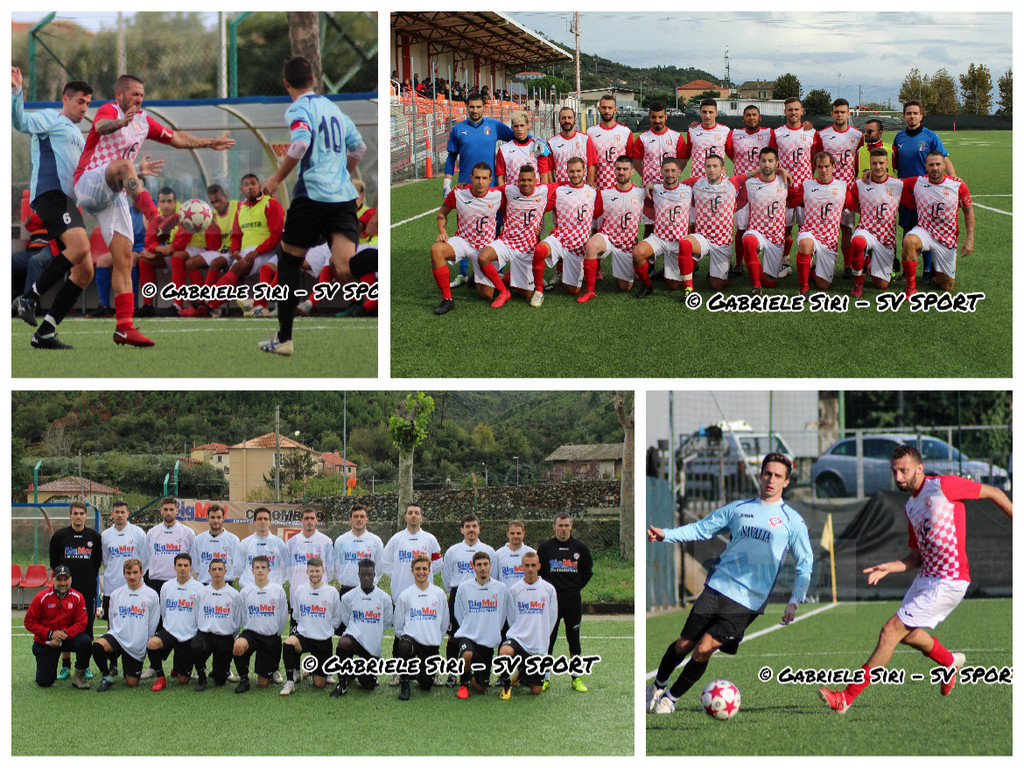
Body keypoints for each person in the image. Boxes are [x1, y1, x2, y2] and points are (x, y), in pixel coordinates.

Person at [819, 444, 1012, 714]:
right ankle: (948, 662)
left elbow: (994, 492)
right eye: (894, 471)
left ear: (919, 469)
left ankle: (846, 698)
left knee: (890, 631)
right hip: (926, 577)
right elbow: (916, 558)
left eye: (903, 470)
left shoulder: (943, 486)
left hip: (949, 580)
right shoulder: (911, 506)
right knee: (907, 636)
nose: (898, 477)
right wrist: (889, 567)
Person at [72, 72, 234, 347]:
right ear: (120, 95)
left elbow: (177, 138)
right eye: (134, 94)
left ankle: (124, 326)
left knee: (124, 259)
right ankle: (155, 217)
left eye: (141, 95)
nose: (138, 99)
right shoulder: (110, 110)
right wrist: (119, 122)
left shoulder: (144, 121)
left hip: (114, 194)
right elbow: (100, 127)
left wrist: (209, 142)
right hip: (88, 183)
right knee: (126, 166)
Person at [646, 452, 813, 714]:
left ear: (786, 482)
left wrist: (795, 600)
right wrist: (666, 534)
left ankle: (671, 698)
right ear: (760, 475)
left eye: (778, 475)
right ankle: (657, 685)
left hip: (748, 602)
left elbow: (805, 564)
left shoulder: (793, 522)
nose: (771, 479)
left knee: (703, 649)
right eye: (767, 473)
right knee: (684, 645)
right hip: (718, 588)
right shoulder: (739, 508)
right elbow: (701, 529)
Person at [260, 56, 366, 356]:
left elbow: (300, 143)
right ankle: (378, 261)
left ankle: (284, 339)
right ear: (314, 80)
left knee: (289, 259)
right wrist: (342, 172)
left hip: (312, 195)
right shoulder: (334, 108)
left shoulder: (298, 108)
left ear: (286, 83)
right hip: (343, 197)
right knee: (345, 268)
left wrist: (277, 178)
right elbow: (359, 147)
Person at [11, 68, 94, 350]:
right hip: (51, 194)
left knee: (84, 272)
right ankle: (29, 297)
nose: (84, 107)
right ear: (66, 99)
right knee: (80, 246)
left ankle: (45, 332)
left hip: (69, 203)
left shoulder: (78, 136)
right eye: (80, 101)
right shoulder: (51, 118)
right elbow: (20, 122)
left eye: (88, 103)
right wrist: (16, 92)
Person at [443, 93, 515, 288]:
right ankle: (462, 274)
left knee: (494, 226)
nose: (475, 110)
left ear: (485, 107)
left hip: (490, 188)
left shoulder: (494, 126)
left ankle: (495, 268)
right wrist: (446, 183)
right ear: (466, 107)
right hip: (465, 188)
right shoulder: (458, 129)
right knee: (465, 229)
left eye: (478, 107)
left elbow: (517, 137)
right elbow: (451, 158)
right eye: (471, 107)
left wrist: (536, 142)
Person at [202, 173, 284, 318]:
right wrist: (234, 250)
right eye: (246, 185)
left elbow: (276, 235)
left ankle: (207, 302)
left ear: (259, 186)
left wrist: (258, 251)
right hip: (245, 252)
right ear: (242, 190)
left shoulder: (270, 203)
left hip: (265, 252)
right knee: (225, 268)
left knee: (238, 267)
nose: (250, 187)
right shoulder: (241, 208)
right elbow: (236, 235)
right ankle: (211, 307)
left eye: (253, 184)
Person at [892, 100, 957, 283]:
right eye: (909, 113)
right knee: (907, 228)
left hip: (928, 193)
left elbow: (943, 159)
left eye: (915, 113)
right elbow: (895, 165)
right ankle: (907, 270)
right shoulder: (899, 138)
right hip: (906, 191)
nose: (912, 116)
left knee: (928, 228)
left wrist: (954, 182)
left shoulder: (930, 136)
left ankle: (928, 270)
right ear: (904, 116)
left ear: (921, 116)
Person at [475, 165, 555, 308]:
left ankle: (510, 276)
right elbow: (486, 190)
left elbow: (563, 185)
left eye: (529, 180)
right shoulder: (509, 190)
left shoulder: (543, 190)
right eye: (522, 180)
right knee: (483, 266)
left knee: (526, 295)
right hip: (507, 242)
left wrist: (587, 183)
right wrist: (465, 187)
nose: (526, 183)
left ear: (536, 181)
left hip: (527, 249)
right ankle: (504, 291)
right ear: (517, 181)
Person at [899, 150, 974, 297]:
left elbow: (968, 211)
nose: (935, 168)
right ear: (925, 166)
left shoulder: (958, 185)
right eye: (931, 165)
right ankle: (911, 288)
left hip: (947, 237)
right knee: (909, 240)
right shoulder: (917, 182)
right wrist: (870, 174)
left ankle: (936, 267)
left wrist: (970, 238)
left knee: (946, 287)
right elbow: (889, 182)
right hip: (924, 231)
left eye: (938, 164)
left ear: (944, 165)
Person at [430, 162, 502, 315]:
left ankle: (476, 276)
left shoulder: (498, 194)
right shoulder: (458, 193)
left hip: (485, 249)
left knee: (486, 295)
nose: (480, 182)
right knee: (436, 249)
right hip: (463, 241)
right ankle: (447, 299)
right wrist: (442, 231)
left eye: (484, 178)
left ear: (490, 180)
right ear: (471, 178)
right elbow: (442, 213)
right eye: (477, 177)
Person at [531, 156, 601, 304]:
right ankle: (538, 291)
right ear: (566, 172)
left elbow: (599, 212)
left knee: (573, 290)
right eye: (571, 171)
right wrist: (534, 223)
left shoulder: (593, 192)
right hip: (560, 239)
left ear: (584, 171)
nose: (575, 174)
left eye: (578, 171)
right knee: (539, 250)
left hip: (578, 247)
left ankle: (565, 271)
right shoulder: (559, 190)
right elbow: (542, 207)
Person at [577, 155, 646, 302]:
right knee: (592, 245)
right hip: (607, 238)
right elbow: (593, 215)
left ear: (632, 172)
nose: (621, 172)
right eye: (618, 169)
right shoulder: (605, 194)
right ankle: (590, 290)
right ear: (614, 170)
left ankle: (632, 267)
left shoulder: (641, 193)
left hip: (627, 245)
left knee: (625, 287)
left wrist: (653, 183)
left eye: (625, 169)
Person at [538, 512, 593, 692]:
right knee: (549, 639)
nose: (563, 529)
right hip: (551, 601)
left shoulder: (580, 548)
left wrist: (574, 586)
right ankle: (545, 678)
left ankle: (576, 678)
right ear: (554, 527)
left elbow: (586, 573)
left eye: (566, 525)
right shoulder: (545, 548)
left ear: (571, 526)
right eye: (560, 526)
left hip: (572, 600)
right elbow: (540, 573)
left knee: (574, 640)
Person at [49, 500, 102, 680]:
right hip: (65, 591)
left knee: (87, 627)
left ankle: (84, 666)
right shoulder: (60, 536)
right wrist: (64, 582)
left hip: (87, 591)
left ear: (86, 515)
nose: (78, 517)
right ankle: (66, 666)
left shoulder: (94, 537)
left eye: (81, 513)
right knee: (63, 624)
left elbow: (96, 563)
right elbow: (54, 563)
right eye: (75, 513)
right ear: (70, 515)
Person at [788, 151, 855, 294]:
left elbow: (854, 204)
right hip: (809, 231)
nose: (823, 170)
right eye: (820, 167)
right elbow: (791, 201)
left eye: (826, 166)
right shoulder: (807, 185)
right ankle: (803, 287)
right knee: (806, 244)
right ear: (815, 168)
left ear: (833, 166)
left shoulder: (842, 186)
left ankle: (813, 270)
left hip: (829, 239)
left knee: (823, 286)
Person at [678, 154, 748, 291]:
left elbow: (752, 175)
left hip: (722, 242)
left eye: (715, 166)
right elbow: (673, 184)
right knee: (685, 243)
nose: (711, 169)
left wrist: (780, 170)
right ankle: (688, 288)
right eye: (708, 166)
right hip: (702, 237)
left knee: (717, 286)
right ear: (704, 168)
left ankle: (722, 271)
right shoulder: (696, 183)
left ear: (723, 168)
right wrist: (654, 184)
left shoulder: (731, 183)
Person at [442, 515, 497, 684]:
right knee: (453, 637)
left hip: (480, 597)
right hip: (458, 594)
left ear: (479, 529)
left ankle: (476, 670)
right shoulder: (453, 551)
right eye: (467, 526)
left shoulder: (489, 551)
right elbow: (446, 576)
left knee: (479, 633)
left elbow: (492, 576)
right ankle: (452, 673)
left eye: (474, 526)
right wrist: (455, 592)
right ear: (462, 530)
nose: (471, 529)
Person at [92, 558, 161, 691]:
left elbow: (153, 623)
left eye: (135, 572)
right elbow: (112, 620)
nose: (132, 576)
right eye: (128, 573)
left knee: (132, 683)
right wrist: (114, 634)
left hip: (136, 644)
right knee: (97, 647)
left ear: (141, 573)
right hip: (117, 637)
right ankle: (107, 676)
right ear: (124, 574)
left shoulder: (151, 595)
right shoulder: (116, 594)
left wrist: (145, 644)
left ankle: (128, 664)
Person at [497, 551, 558, 698]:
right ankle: (506, 684)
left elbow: (552, 617)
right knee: (504, 652)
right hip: (518, 639)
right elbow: (511, 617)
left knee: (536, 690)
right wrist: (520, 631)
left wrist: (542, 635)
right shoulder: (515, 589)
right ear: (521, 567)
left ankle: (523, 672)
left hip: (537, 644)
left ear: (539, 566)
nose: (530, 569)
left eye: (533, 565)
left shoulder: (548, 589)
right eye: (527, 565)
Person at [727, 105, 777, 277]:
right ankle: (740, 262)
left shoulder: (770, 133)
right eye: (748, 115)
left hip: (763, 187)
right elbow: (730, 153)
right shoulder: (734, 134)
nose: (751, 118)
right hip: (742, 187)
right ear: (743, 118)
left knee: (764, 224)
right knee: (741, 227)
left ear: (760, 117)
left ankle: (772, 260)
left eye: (754, 115)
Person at [848, 147, 905, 296]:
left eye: (881, 163)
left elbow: (922, 184)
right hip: (866, 230)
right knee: (858, 242)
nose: (878, 167)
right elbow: (849, 200)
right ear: (870, 164)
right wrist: (860, 209)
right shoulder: (861, 183)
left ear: (887, 163)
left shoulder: (898, 185)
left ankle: (867, 261)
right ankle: (858, 282)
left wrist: (953, 179)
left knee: (882, 286)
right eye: (874, 163)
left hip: (886, 237)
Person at [25, 565, 92, 688]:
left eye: (65, 579)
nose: (62, 583)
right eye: (59, 579)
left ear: (71, 579)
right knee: (44, 682)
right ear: (52, 580)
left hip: (67, 638)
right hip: (47, 641)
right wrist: (50, 634)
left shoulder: (78, 597)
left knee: (85, 641)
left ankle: (79, 676)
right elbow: (29, 622)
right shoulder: (41, 597)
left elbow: (81, 623)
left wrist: (64, 634)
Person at [100, 500, 148, 676]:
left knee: (136, 622)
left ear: (128, 514)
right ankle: (113, 665)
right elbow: (107, 561)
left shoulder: (138, 533)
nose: (119, 515)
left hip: (135, 588)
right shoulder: (105, 535)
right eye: (116, 512)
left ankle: (136, 660)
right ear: (111, 514)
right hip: (112, 587)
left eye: (122, 512)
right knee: (112, 626)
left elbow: (144, 559)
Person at [333, 558, 393, 697]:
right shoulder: (348, 597)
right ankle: (342, 682)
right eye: (363, 574)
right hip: (354, 638)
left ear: (374, 575)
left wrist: (372, 630)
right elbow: (346, 620)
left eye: (369, 574)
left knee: (368, 685)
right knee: (344, 642)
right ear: (358, 575)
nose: (366, 577)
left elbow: (387, 622)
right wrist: (358, 629)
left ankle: (353, 671)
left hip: (372, 647)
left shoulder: (384, 598)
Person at [393, 554, 449, 700]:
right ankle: (404, 683)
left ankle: (415, 672)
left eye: (424, 568)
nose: (421, 572)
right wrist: (404, 637)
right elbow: (398, 626)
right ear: (412, 571)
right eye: (417, 569)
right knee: (404, 645)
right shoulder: (405, 595)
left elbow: (444, 623)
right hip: (411, 642)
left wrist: (436, 636)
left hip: (430, 645)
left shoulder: (439, 594)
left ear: (430, 570)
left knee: (425, 685)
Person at [817, 98, 863, 277]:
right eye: (836, 112)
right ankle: (819, 263)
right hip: (826, 188)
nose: (839, 115)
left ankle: (847, 265)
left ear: (849, 114)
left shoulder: (858, 135)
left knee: (846, 228)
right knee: (821, 226)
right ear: (832, 114)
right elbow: (818, 158)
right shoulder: (823, 134)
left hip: (848, 189)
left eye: (843, 112)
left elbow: (861, 158)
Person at [633, 156, 692, 298]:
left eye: (673, 171)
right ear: (661, 171)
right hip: (659, 238)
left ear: (679, 171)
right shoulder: (655, 189)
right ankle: (647, 284)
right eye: (666, 171)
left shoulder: (689, 189)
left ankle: (670, 270)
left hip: (678, 241)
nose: (670, 174)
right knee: (638, 253)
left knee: (673, 286)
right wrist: (650, 183)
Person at [452, 551, 508, 698]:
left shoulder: (501, 588)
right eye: (479, 565)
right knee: (467, 654)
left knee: (481, 687)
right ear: (473, 567)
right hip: (468, 636)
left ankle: (469, 675)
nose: (482, 568)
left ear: (490, 566)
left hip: (487, 641)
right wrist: (468, 626)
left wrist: (492, 630)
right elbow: (459, 613)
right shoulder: (464, 587)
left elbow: (502, 614)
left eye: (485, 564)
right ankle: (463, 683)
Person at [281, 557, 341, 695]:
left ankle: (314, 669)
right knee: (289, 643)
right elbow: (296, 615)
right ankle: (290, 681)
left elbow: (336, 618)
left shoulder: (331, 592)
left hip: (323, 641)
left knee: (319, 684)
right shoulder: (300, 591)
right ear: (307, 572)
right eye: (312, 571)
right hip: (305, 638)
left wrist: (324, 629)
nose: (314, 574)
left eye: (317, 571)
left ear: (323, 571)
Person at [774, 97, 821, 268]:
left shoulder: (811, 132)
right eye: (790, 109)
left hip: (805, 188)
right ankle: (784, 260)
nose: (793, 112)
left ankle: (807, 261)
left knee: (806, 227)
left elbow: (815, 158)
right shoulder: (777, 133)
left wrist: (809, 180)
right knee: (785, 227)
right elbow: (772, 160)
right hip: (783, 188)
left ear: (802, 111)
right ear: (785, 111)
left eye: (796, 109)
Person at [739, 147, 791, 293]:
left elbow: (796, 199)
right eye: (763, 161)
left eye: (770, 161)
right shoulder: (750, 184)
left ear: (777, 163)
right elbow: (738, 204)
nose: (767, 164)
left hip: (776, 236)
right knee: (748, 241)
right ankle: (756, 285)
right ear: (759, 163)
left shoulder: (785, 181)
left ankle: (761, 269)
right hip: (757, 231)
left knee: (770, 283)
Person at [233, 555, 288, 693]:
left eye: (263, 567)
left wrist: (276, 635)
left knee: (263, 683)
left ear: (269, 570)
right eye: (257, 567)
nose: (260, 570)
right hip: (251, 634)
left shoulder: (278, 590)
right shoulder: (245, 591)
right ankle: (244, 679)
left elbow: (282, 617)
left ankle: (271, 670)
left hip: (270, 637)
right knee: (238, 645)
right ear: (252, 571)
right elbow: (244, 616)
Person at [147, 552, 202, 691]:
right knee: (152, 643)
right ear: (174, 567)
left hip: (188, 635)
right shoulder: (166, 586)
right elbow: (164, 611)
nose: (182, 568)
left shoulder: (199, 588)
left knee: (183, 681)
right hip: (169, 631)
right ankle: (160, 677)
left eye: (185, 565)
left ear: (191, 567)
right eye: (179, 565)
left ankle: (178, 668)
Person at [136, 187, 189, 316]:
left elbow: (181, 242)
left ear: (175, 202)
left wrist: (156, 252)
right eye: (163, 201)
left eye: (169, 201)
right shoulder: (156, 216)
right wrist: (159, 249)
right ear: (158, 203)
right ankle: (148, 305)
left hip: (187, 251)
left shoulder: (183, 214)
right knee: (143, 261)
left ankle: (177, 305)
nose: (166, 205)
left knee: (176, 256)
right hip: (168, 254)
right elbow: (149, 241)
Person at [192, 558, 242, 691]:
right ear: (209, 572)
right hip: (205, 636)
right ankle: (202, 677)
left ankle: (218, 670)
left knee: (220, 681)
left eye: (220, 569)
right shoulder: (201, 593)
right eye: (214, 569)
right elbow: (197, 615)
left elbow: (237, 621)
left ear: (225, 571)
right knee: (196, 645)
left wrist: (231, 635)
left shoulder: (234, 594)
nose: (217, 572)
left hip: (224, 637)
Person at [381, 503, 443, 604]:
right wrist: (399, 573)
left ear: (421, 517)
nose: (413, 515)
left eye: (417, 513)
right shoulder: (396, 539)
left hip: (424, 596)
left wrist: (423, 574)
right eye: (410, 513)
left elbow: (438, 564)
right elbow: (385, 563)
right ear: (405, 517)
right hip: (400, 594)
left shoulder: (430, 539)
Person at [144, 497, 196, 598]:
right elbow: (147, 556)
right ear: (161, 511)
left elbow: (192, 558)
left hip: (178, 581)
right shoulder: (152, 533)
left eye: (171, 509)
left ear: (177, 510)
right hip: (155, 581)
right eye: (165, 509)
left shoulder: (188, 533)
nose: (168, 513)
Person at [586, 94, 638, 190]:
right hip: (598, 186)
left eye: (610, 108)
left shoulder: (626, 132)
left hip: (620, 186)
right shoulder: (590, 132)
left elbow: (630, 161)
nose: (606, 111)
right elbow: (589, 161)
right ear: (599, 109)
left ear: (615, 109)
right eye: (604, 107)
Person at [334, 505, 384, 605]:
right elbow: (337, 566)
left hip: (368, 590)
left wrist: (371, 582)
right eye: (356, 516)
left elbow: (380, 567)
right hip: (347, 589)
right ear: (350, 520)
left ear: (367, 519)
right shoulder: (340, 541)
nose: (359, 519)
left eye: (362, 516)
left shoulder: (376, 541)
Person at [495, 111, 552, 186]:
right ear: (512, 128)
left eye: (522, 125)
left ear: (528, 126)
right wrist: (504, 194)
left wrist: (542, 193)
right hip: (513, 193)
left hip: (534, 193)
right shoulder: (503, 149)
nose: (519, 129)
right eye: (516, 126)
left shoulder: (538, 146)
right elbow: (501, 176)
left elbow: (544, 174)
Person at [238, 507, 290, 588]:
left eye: (265, 519)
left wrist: (276, 583)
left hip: (273, 591)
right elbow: (239, 568)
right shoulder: (245, 543)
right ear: (254, 522)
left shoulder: (279, 543)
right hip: (250, 590)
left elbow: (285, 567)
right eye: (259, 519)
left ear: (270, 522)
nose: (263, 521)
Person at [681, 99, 732, 182]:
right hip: (697, 179)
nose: (707, 116)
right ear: (700, 112)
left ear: (716, 113)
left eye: (711, 112)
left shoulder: (725, 131)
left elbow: (731, 154)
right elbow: (687, 155)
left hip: (718, 180)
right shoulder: (692, 130)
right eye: (704, 112)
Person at [286, 507, 335, 594]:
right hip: (297, 591)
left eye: (312, 518)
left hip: (320, 592)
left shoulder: (326, 541)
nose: (309, 521)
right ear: (301, 520)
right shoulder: (292, 542)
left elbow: (330, 571)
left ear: (317, 520)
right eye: (306, 518)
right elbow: (288, 570)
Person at [547, 106, 598, 185]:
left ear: (575, 119)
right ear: (559, 120)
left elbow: (591, 165)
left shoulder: (585, 139)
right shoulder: (551, 142)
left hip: (581, 188)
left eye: (569, 117)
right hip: (561, 188)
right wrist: (552, 187)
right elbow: (549, 169)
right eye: (563, 118)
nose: (566, 120)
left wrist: (589, 186)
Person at [193, 502, 241, 585]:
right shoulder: (199, 539)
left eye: (218, 517)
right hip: (204, 585)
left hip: (226, 584)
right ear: (207, 518)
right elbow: (195, 565)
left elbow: (238, 564)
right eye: (212, 517)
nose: (216, 521)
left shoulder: (233, 540)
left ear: (223, 517)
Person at [494, 520, 536, 585]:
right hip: (505, 595)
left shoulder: (532, 553)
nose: (515, 536)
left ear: (523, 534)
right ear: (507, 534)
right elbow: (494, 579)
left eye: (518, 533)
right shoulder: (498, 554)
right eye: (512, 533)